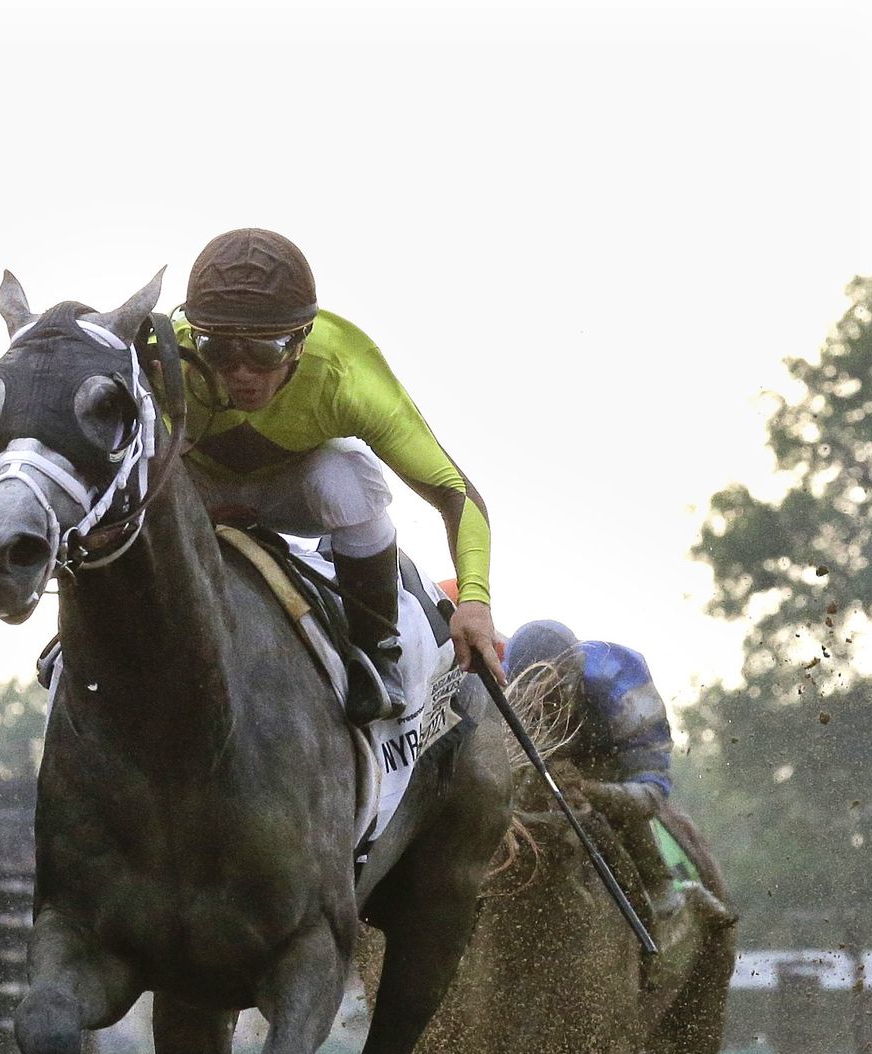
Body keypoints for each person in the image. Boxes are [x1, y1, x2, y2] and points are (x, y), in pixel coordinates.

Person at [170, 229, 499, 722]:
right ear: (194, 336)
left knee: (347, 471)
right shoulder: (163, 358)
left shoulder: (347, 374)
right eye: (217, 349)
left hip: (296, 493)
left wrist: (474, 599)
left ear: (301, 341)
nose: (239, 373)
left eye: (264, 352)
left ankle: (376, 652)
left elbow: (456, 493)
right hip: (191, 493)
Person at [503, 620, 734, 929]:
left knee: (626, 816)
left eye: (551, 696)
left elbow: (651, 794)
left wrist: (589, 790)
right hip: (542, 765)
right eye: (530, 699)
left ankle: (659, 883)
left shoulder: (621, 691)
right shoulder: (501, 686)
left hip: (613, 762)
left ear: (574, 679)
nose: (544, 709)